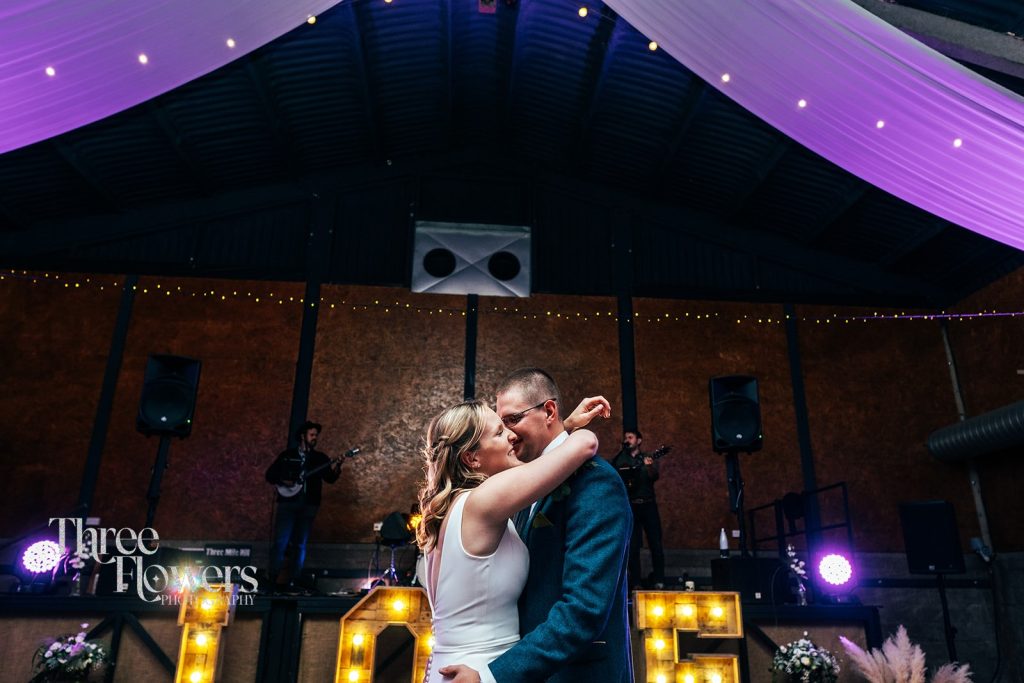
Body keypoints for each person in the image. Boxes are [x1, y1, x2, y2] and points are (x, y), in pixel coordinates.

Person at [439, 368, 633, 683]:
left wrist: (492, 677)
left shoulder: (596, 480)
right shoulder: (518, 485)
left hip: (575, 675)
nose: (509, 434)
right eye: (500, 427)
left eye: (512, 421)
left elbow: (583, 610)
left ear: (549, 411)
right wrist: (564, 429)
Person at [264, 420, 341, 593]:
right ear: (302, 436)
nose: (315, 438)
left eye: (316, 435)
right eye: (312, 435)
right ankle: (272, 578)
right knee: (281, 542)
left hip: (309, 506)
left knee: (300, 544)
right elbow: (270, 475)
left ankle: (294, 580)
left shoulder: (320, 458)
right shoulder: (287, 455)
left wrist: (338, 465)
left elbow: (330, 479)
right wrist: (285, 480)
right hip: (288, 504)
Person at [613, 429, 666, 589]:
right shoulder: (620, 459)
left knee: (655, 543)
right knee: (633, 545)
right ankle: (635, 582)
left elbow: (654, 476)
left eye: (630, 437)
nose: (627, 440)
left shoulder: (648, 457)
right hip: (631, 506)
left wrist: (649, 467)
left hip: (648, 505)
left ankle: (659, 580)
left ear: (639, 440)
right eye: (625, 438)